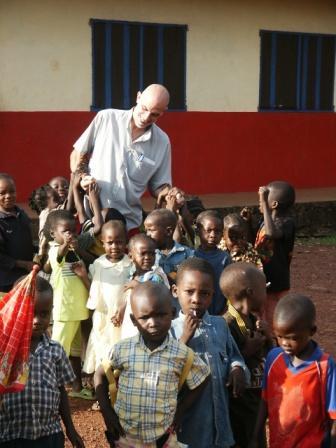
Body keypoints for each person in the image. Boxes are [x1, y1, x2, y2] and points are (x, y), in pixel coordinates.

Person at [94, 282, 210, 447]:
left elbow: (204, 377)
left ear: (172, 313)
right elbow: (99, 374)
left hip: (163, 436)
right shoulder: (122, 349)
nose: (153, 322)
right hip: (126, 435)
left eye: (161, 315)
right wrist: (107, 411)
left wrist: (181, 409)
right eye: (145, 317)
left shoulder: (181, 353)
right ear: (134, 320)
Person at [70, 84, 176, 233]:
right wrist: (83, 176)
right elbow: (77, 154)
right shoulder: (106, 118)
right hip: (89, 218)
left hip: (128, 225)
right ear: (138, 97)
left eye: (154, 114)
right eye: (144, 108)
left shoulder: (162, 142)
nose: (146, 118)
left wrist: (171, 194)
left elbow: (159, 186)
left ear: (163, 113)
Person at [170, 258, 249, 448]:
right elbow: (167, 371)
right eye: (189, 292)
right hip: (188, 426)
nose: (196, 299)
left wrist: (237, 368)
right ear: (175, 292)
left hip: (219, 422)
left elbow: (234, 356)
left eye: (204, 293)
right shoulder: (170, 330)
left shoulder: (220, 325)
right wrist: (185, 339)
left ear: (212, 296)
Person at [0, 276, 85, 448]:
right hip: (11, 434)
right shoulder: (4, 350)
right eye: (30, 313)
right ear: (16, 310)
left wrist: (70, 428)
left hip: (49, 435)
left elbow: (61, 390)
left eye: (44, 314)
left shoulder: (56, 350)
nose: (37, 320)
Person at [251, 294, 336, 448]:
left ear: (312, 331)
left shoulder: (324, 366)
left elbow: (333, 415)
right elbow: (265, 400)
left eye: (292, 338)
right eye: (279, 336)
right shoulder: (273, 357)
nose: (284, 343)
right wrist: (255, 436)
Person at [221, 262, 273, 448]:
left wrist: (268, 337)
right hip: (238, 410)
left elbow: (270, 357)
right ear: (250, 292)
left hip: (255, 404)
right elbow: (222, 370)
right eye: (264, 289)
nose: (266, 295)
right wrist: (246, 351)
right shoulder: (226, 325)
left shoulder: (253, 320)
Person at [48, 209, 91, 399]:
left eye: (73, 230)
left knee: (74, 353)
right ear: (53, 234)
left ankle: (76, 388)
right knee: (57, 351)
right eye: (65, 230)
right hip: (65, 311)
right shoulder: (54, 251)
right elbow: (59, 255)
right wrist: (66, 243)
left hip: (78, 310)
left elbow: (87, 265)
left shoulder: (75, 252)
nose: (70, 234)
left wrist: (74, 246)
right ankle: (49, 389)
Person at [83, 220, 132, 375]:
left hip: (122, 315)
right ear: (102, 242)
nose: (114, 247)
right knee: (102, 345)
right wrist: (83, 276)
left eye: (119, 242)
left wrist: (123, 310)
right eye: (110, 243)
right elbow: (94, 287)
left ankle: (118, 382)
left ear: (126, 242)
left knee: (121, 344)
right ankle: (101, 381)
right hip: (103, 315)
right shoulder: (98, 263)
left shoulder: (130, 263)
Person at [255, 180, 296, 325]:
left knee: (276, 321)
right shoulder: (264, 221)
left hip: (277, 284)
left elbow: (271, 233)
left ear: (273, 205)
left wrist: (263, 202)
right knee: (262, 318)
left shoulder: (287, 223)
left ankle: (277, 346)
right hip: (262, 280)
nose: (260, 203)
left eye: (265, 199)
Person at [121, 233, 169, 339]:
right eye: (143, 254)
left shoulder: (156, 276)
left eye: (151, 254)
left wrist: (137, 285)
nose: (148, 257)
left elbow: (157, 297)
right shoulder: (131, 274)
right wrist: (121, 310)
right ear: (130, 256)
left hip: (149, 324)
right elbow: (128, 297)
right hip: (131, 323)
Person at [0, 173, 34, 292]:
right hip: (6, 282)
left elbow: (27, 241)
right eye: (2, 193)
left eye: (12, 191)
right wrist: (24, 264)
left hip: (26, 277)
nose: (8, 196)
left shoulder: (21, 214)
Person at [194, 210, 231, 315]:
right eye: (208, 230)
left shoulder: (224, 258)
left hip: (219, 312)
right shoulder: (192, 256)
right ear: (198, 231)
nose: (213, 235)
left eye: (217, 231)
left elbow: (229, 289)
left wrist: (225, 312)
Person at [144, 209, 194, 284]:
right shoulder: (146, 255)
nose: (148, 234)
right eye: (146, 231)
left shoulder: (187, 254)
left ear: (168, 231)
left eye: (151, 230)